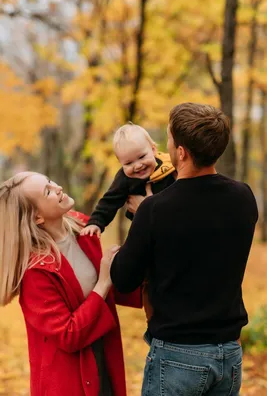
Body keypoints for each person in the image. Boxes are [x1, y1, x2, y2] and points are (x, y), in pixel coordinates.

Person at [110, 103, 258, 395]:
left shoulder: (154, 210)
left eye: (168, 138)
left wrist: (141, 218)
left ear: (181, 152)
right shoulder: (243, 196)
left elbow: (123, 278)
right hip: (229, 354)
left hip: (178, 356)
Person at [0, 171, 142, 396]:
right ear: (37, 217)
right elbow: (68, 334)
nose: (57, 187)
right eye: (47, 191)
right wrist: (103, 283)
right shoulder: (36, 270)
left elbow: (113, 287)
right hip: (69, 380)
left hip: (103, 358)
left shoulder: (82, 227)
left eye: (49, 181)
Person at [81, 122, 176, 238]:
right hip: (143, 228)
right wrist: (95, 222)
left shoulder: (170, 165)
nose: (137, 166)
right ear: (121, 163)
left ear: (153, 150)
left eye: (141, 157)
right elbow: (109, 201)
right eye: (129, 163)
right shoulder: (125, 178)